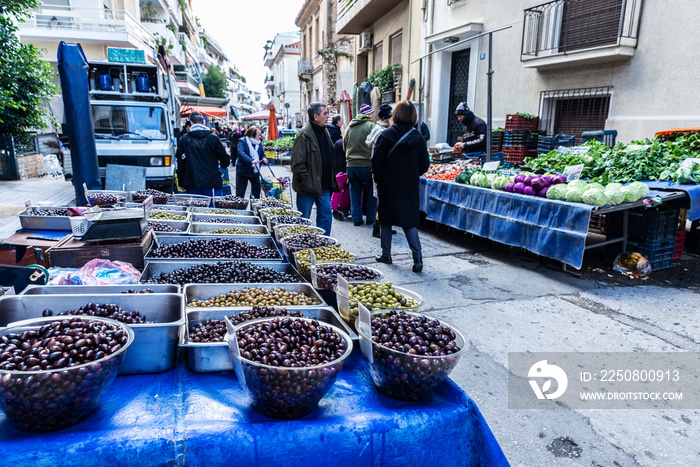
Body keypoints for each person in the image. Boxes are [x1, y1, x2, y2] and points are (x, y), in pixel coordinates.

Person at [371, 100, 430, 273]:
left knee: (385, 220)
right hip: (409, 186)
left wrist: (380, 179)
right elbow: (424, 165)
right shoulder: (418, 138)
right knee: (409, 221)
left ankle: (386, 255)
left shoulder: (385, 135)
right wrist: (411, 175)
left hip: (388, 184)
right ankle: (417, 258)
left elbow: (376, 162)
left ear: (395, 115)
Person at [291, 102, 340, 235]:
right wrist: (305, 180)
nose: (328, 116)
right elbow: (297, 163)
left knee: (326, 215)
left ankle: (323, 243)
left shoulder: (325, 131)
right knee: (303, 220)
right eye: (325, 113)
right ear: (316, 116)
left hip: (323, 185)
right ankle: (301, 247)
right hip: (307, 186)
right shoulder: (304, 135)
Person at [175, 111, 230, 196]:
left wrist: (181, 182)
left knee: (195, 207)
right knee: (213, 208)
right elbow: (225, 159)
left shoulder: (184, 139)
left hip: (192, 182)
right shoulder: (213, 138)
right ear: (203, 122)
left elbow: (180, 163)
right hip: (212, 181)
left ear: (191, 122)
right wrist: (222, 166)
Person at [344, 103, 377, 226]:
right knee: (371, 194)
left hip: (351, 165)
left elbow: (344, 145)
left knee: (355, 193)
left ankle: (356, 219)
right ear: (368, 114)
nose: (373, 115)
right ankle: (370, 219)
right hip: (367, 165)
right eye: (372, 113)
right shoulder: (371, 126)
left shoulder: (349, 127)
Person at [366, 104, 392, 238]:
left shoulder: (377, 129)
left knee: (382, 200)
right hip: (381, 171)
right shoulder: (381, 132)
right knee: (381, 201)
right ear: (387, 118)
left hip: (379, 170)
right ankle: (378, 227)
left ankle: (383, 225)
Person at [235, 126, 268, 198]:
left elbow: (262, 154)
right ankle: (240, 207)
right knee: (240, 192)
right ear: (252, 135)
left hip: (255, 171)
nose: (260, 136)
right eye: (258, 135)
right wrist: (251, 161)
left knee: (256, 192)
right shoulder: (242, 141)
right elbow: (241, 153)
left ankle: (254, 207)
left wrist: (264, 158)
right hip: (243, 170)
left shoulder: (259, 143)